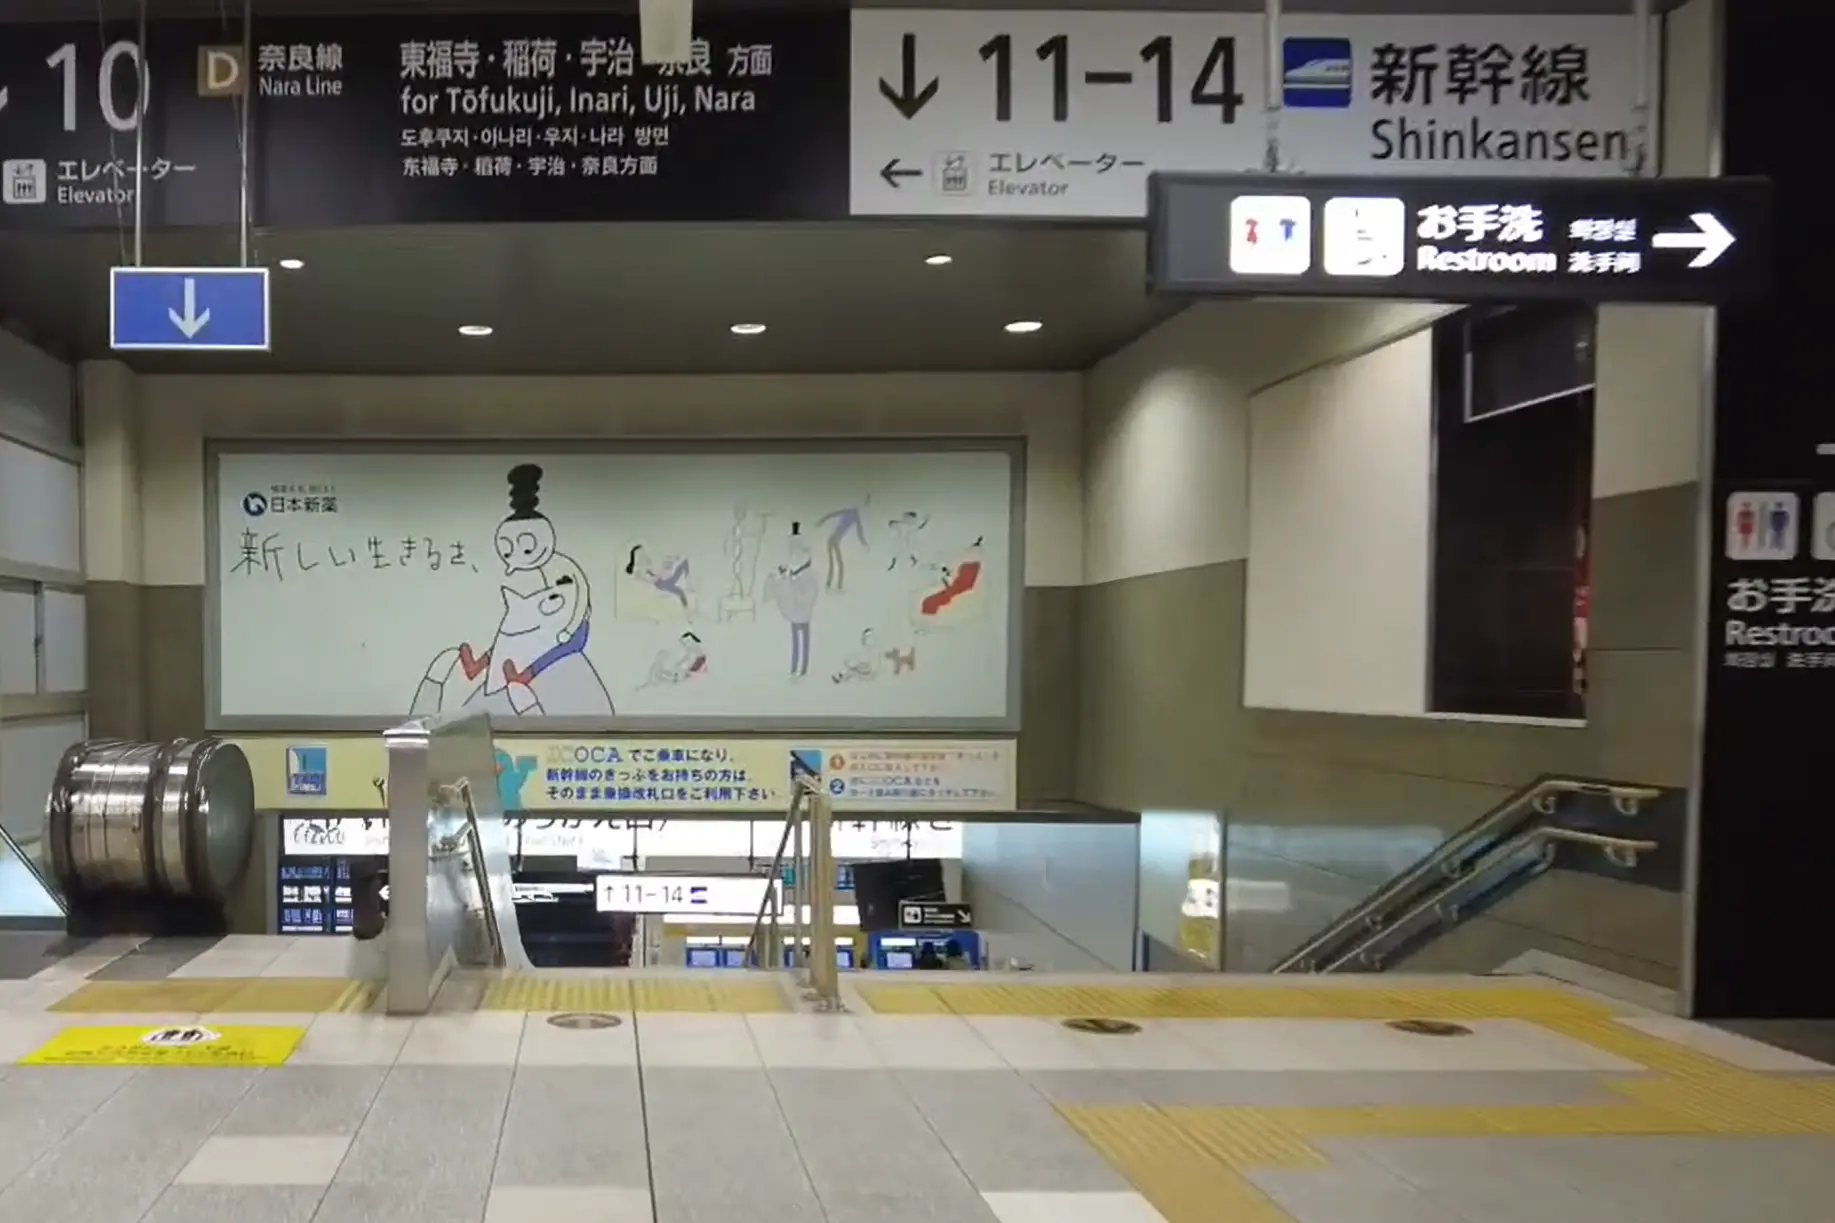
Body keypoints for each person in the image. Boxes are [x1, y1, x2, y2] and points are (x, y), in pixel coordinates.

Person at [814, 499, 869, 592]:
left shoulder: (855, 517)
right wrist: (821, 520)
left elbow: (860, 534)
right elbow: (833, 514)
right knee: (836, 563)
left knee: (837, 563)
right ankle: (832, 585)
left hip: (835, 540)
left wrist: (865, 544)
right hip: (833, 539)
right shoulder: (851, 513)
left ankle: (835, 585)